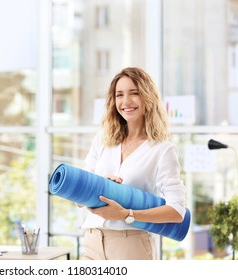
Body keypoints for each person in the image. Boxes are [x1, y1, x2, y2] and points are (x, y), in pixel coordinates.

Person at [79, 67, 186, 260]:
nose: (126, 102)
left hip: (130, 245)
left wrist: (126, 214)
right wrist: (100, 185)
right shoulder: (102, 140)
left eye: (134, 93)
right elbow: (80, 198)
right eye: (119, 95)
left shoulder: (162, 149)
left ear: (148, 97)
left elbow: (177, 211)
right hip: (92, 241)